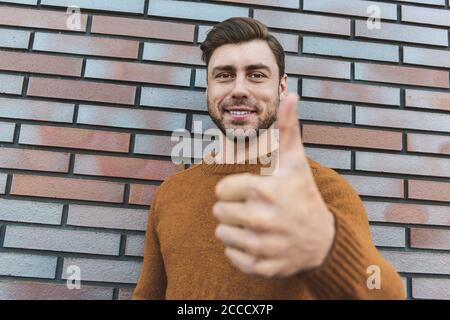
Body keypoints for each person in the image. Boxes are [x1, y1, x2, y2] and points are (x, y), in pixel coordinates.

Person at [132, 17, 406, 300]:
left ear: (282, 87)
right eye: (224, 75)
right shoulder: (171, 193)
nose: (239, 89)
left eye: (257, 75)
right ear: (207, 87)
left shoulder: (323, 190)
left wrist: (326, 248)